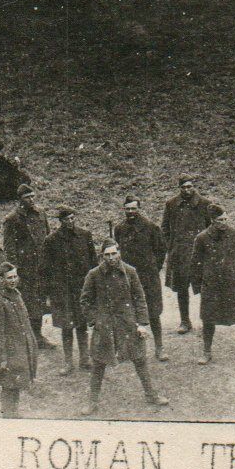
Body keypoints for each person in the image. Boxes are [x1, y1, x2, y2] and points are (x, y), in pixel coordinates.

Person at [79, 240, 170, 416]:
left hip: (128, 324)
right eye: (107, 255)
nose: (111, 258)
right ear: (102, 256)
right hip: (105, 326)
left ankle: (151, 395)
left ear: (119, 253)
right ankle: (92, 402)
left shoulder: (130, 271)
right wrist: (95, 321)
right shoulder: (94, 274)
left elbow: (139, 298)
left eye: (114, 254)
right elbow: (85, 301)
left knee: (140, 360)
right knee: (99, 364)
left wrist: (142, 323)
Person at [191, 203, 235, 363]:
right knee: (208, 319)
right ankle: (206, 352)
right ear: (212, 220)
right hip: (212, 285)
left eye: (225, 219)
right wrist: (198, 285)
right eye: (220, 220)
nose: (224, 222)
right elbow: (196, 262)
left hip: (233, 283)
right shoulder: (202, 238)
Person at [111, 196, 169, 361]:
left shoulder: (151, 227)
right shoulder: (120, 229)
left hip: (148, 277)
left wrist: (153, 268)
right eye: (127, 209)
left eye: (133, 209)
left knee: (153, 313)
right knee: (127, 312)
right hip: (127, 277)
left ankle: (159, 348)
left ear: (139, 208)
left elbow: (161, 249)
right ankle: (129, 350)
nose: (130, 212)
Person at [40, 206, 96, 375]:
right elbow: (45, 269)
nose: (70, 222)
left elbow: (93, 263)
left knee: (82, 324)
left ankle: (85, 359)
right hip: (62, 291)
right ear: (60, 221)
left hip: (81, 288)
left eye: (73, 218)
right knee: (66, 326)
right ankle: (68, 363)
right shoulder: (51, 240)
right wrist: (48, 294)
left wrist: (93, 287)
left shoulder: (85, 235)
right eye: (66, 219)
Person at [162, 176, 215, 335]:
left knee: (205, 287)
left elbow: (211, 228)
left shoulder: (205, 204)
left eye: (190, 186)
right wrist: (170, 247)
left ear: (194, 186)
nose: (187, 190)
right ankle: (185, 321)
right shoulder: (171, 204)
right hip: (180, 253)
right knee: (181, 288)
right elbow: (165, 228)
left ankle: (207, 320)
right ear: (179, 188)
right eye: (183, 187)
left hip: (200, 253)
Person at [0, 265, 37, 418]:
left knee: (16, 383)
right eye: (9, 278)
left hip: (19, 348)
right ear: (1, 279)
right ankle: (8, 417)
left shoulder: (15, 293)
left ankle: (14, 413)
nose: (13, 280)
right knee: (8, 386)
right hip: (8, 352)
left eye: (15, 277)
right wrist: (2, 359)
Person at [3, 186, 52, 349]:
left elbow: (48, 236)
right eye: (27, 197)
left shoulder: (41, 213)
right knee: (28, 303)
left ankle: (38, 337)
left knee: (40, 302)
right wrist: (14, 270)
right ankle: (28, 338)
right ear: (20, 199)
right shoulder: (12, 219)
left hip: (42, 267)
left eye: (32, 196)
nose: (31, 199)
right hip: (25, 269)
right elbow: (9, 247)